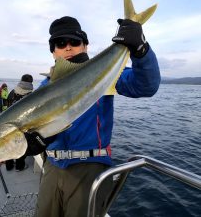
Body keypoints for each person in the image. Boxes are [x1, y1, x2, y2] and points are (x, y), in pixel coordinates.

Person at [33, 16, 160, 217]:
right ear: (53, 51)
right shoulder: (45, 87)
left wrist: (140, 50)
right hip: (52, 167)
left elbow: (145, 85)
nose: (68, 48)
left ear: (85, 46)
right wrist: (32, 142)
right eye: (60, 43)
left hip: (89, 170)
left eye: (74, 42)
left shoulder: (103, 74)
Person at [5, 74, 34, 171]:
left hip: (9, 123)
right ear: (31, 83)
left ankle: (9, 166)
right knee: (21, 145)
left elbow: (6, 105)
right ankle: (19, 166)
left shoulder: (13, 92)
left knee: (9, 145)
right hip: (22, 125)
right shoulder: (31, 95)